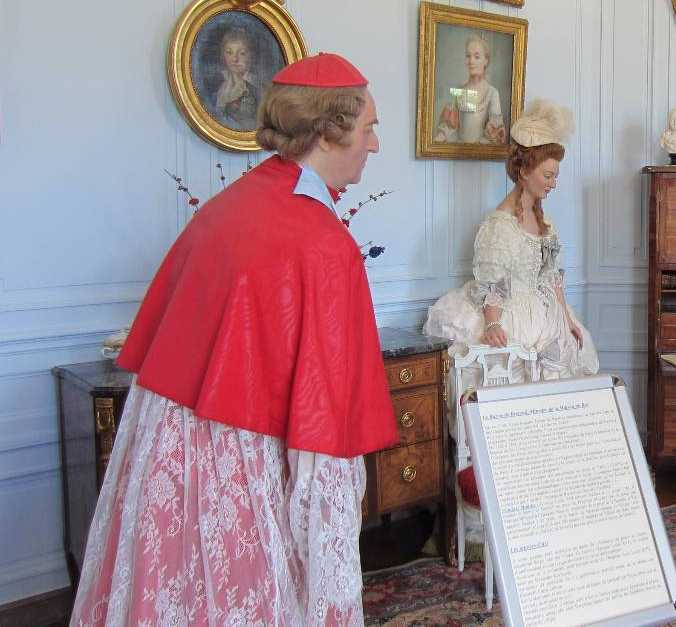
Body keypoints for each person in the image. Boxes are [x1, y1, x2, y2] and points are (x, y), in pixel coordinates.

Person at [70, 53, 397, 626]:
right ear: (327, 131)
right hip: (239, 470)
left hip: (168, 460)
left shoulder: (225, 209)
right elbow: (323, 432)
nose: (374, 145)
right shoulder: (322, 243)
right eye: (369, 128)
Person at [424, 99, 599, 382]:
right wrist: (493, 323)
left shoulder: (547, 223)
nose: (553, 183)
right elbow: (493, 284)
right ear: (525, 171)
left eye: (556, 176)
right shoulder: (499, 226)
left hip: (549, 317)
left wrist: (567, 319)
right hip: (514, 317)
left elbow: (552, 275)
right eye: (548, 175)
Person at [434, 32, 506, 144]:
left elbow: (495, 133)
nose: (471, 61)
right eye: (468, 56)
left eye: (476, 57)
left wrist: (474, 149)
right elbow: (451, 126)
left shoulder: (492, 92)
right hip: (460, 152)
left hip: (481, 155)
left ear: (486, 60)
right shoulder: (461, 89)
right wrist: (435, 142)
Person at [204, 26, 262, 130]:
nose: (235, 59)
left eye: (242, 53)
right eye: (229, 52)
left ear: (251, 57)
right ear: (223, 55)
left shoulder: (256, 86)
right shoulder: (223, 87)